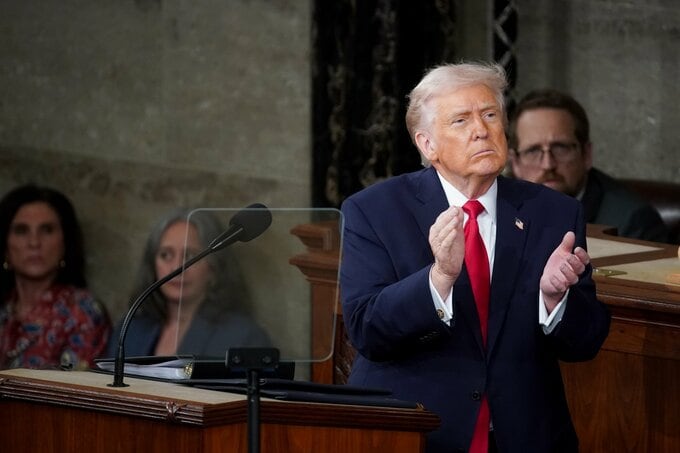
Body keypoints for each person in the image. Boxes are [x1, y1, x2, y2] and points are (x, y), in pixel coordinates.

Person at [339, 62, 611, 453]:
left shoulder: (554, 213)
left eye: (490, 115)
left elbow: (586, 342)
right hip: (414, 434)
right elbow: (367, 329)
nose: (481, 130)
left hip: (522, 437)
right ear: (427, 145)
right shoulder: (374, 211)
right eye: (461, 120)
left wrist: (554, 301)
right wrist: (438, 279)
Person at [508, 88, 669, 243]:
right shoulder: (501, 209)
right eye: (533, 151)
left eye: (561, 148)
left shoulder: (633, 222)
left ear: (586, 155)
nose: (548, 164)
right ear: (515, 163)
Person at [106, 208, 270, 358]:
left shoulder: (244, 338)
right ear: (152, 265)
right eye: (166, 255)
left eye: (190, 256)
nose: (177, 267)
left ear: (214, 269)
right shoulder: (129, 329)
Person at [0, 184, 111, 370]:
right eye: (21, 230)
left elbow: (74, 384)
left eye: (47, 230)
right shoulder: (6, 307)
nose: (34, 242)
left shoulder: (83, 312)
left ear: (65, 241)